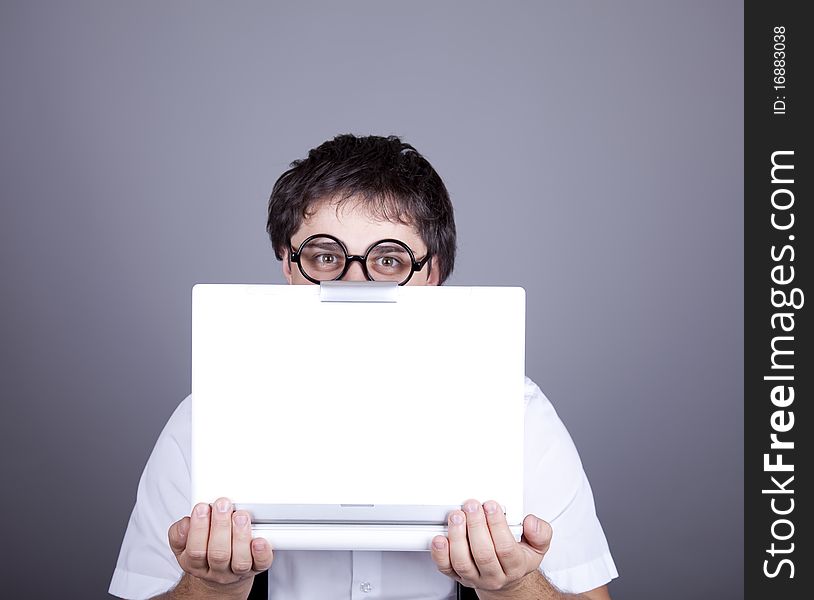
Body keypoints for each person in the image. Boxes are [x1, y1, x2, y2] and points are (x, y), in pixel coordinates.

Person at [109, 134, 618, 600]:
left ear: (432, 272)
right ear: (288, 265)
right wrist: (212, 588)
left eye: (390, 260)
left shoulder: (518, 415)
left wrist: (514, 587)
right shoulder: (207, 420)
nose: (356, 285)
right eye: (326, 257)